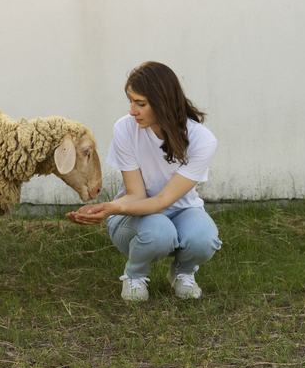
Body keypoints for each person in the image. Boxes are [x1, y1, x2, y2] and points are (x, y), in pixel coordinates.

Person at [67, 61, 221, 301]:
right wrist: (109, 209)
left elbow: (163, 200)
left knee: (206, 238)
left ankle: (183, 274)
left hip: (181, 211)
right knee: (159, 231)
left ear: (163, 103)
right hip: (132, 214)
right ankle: (134, 276)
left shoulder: (203, 140)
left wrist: (108, 207)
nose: (132, 111)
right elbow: (136, 194)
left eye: (141, 104)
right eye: (130, 101)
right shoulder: (125, 129)